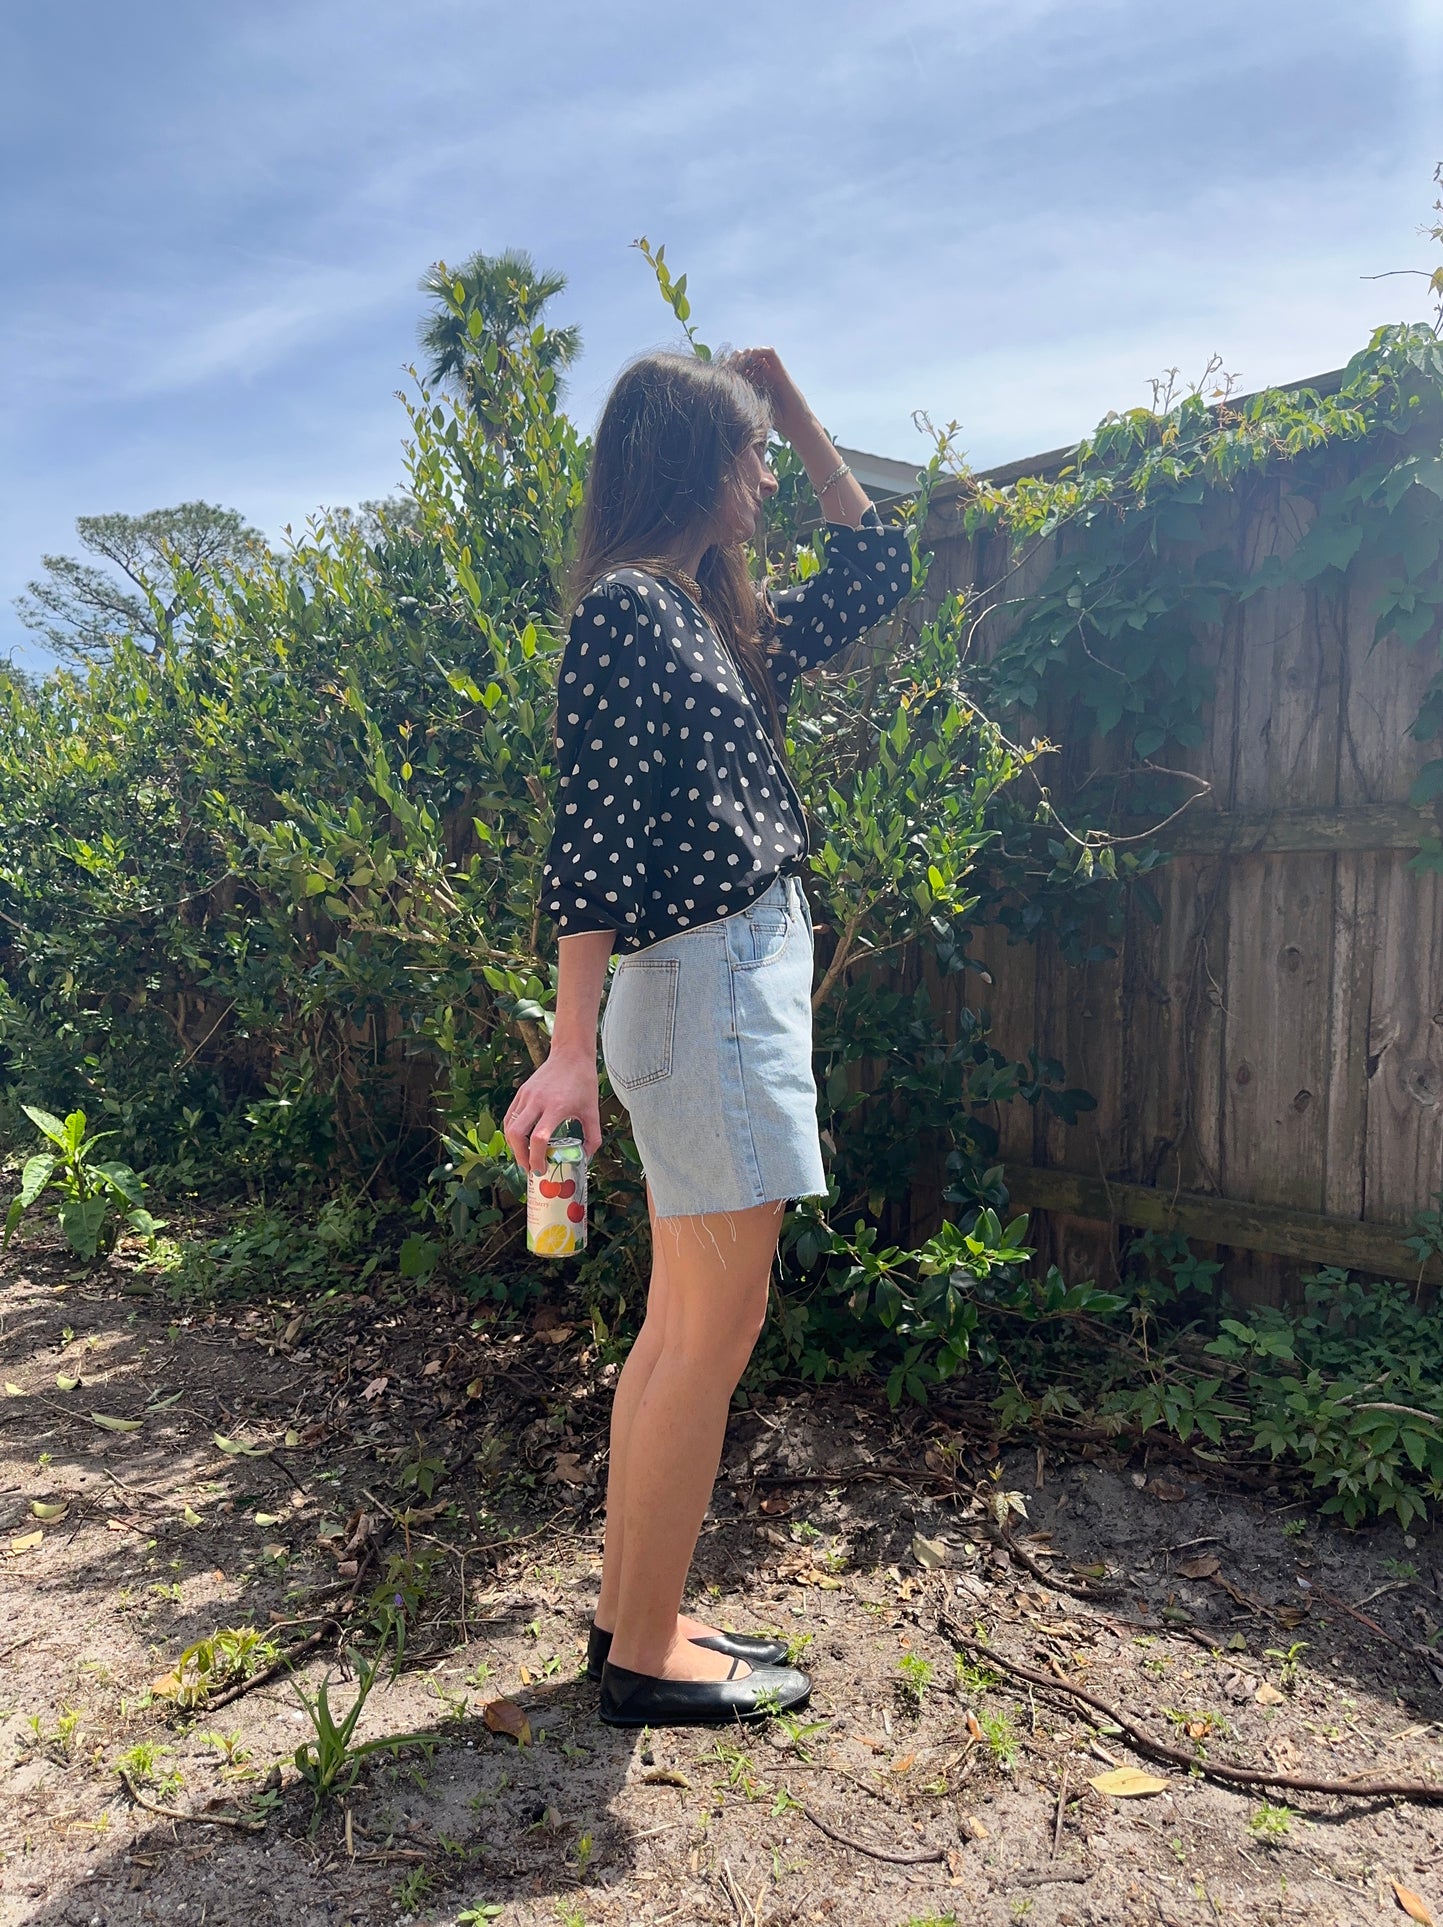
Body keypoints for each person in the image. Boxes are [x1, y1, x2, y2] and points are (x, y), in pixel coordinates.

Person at [503, 347, 912, 1727]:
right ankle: (644, 1655)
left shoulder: (704, 621)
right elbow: (593, 838)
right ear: (688, 463)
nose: (763, 479)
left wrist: (791, 401)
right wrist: (566, 1044)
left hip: (717, 986)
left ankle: (637, 1616)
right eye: (744, 452)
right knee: (707, 1333)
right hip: (706, 989)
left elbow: (876, 566)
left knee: (680, 1330)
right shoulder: (632, 613)